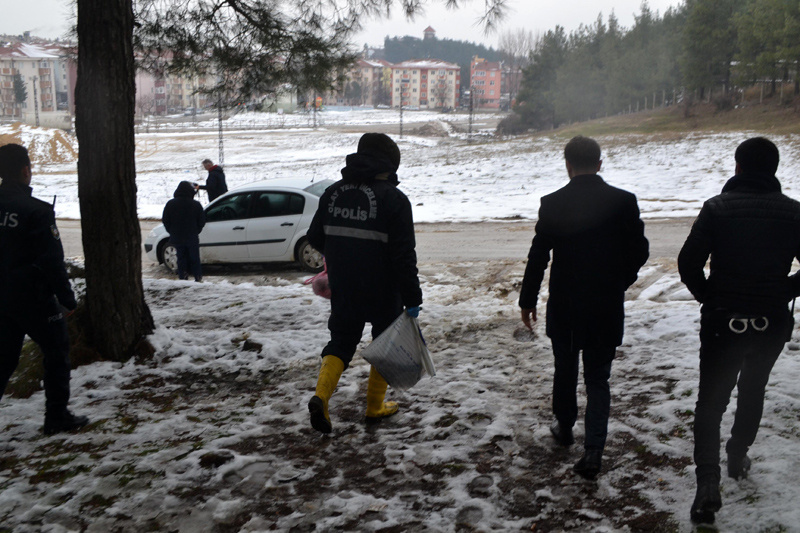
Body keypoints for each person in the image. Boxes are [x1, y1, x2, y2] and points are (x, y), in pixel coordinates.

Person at [678, 137, 800, 525]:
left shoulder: (717, 208)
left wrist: (708, 296)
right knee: (752, 388)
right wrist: (785, 289)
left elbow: (687, 263)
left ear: (739, 167)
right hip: (770, 321)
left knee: (710, 402)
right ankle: (737, 454)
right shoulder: (794, 213)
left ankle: (706, 487)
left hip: (723, 320)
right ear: (774, 170)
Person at [519, 136, 649, 479]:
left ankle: (564, 429)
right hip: (605, 304)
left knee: (565, 367)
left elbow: (538, 256)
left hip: (565, 303)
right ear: (600, 163)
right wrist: (620, 281)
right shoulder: (623, 201)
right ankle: (594, 450)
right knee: (598, 378)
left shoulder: (553, 203)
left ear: (568, 165)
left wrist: (527, 300)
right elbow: (640, 250)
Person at [306, 133, 422, 434]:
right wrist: (413, 297)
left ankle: (321, 396)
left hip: (344, 285)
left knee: (341, 341)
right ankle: (374, 406)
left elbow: (316, 237)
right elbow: (403, 255)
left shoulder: (332, 193)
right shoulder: (394, 199)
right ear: (389, 164)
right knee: (385, 344)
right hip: (385, 289)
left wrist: (342, 252)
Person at [0, 143, 89, 435]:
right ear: (26, 171)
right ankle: (57, 416)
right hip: (33, 297)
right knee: (56, 350)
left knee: (4, 357)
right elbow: (52, 260)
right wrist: (66, 298)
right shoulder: (35, 210)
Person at [162, 181, 206, 282]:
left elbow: (166, 220)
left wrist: (171, 231)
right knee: (194, 258)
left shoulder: (170, 204)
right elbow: (202, 221)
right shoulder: (196, 205)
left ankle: (183, 277)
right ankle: (197, 277)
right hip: (192, 236)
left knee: (181, 258)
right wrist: (196, 230)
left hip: (177, 236)